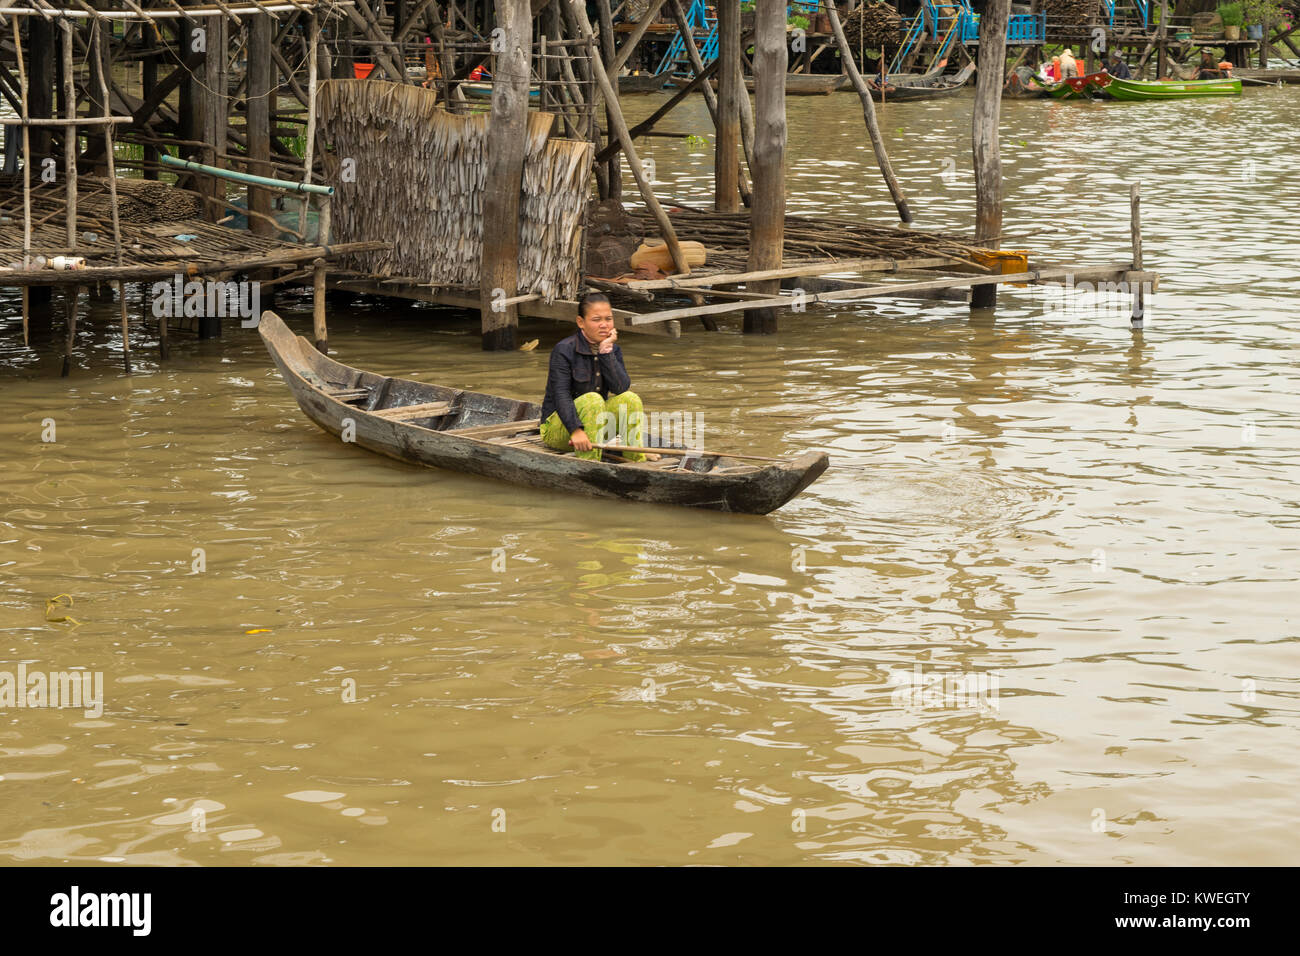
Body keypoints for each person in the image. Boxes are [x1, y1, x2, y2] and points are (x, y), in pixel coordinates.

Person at [540, 292, 650, 462]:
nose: (604, 325)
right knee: (592, 399)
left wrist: (606, 350)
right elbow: (560, 395)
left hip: (596, 426)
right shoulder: (564, 350)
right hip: (561, 430)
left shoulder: (613, 349)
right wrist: (576, 430)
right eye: (596, 320)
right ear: (580, 322)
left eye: (608, 319)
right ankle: (589, 463)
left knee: (631, 399)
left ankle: (636, 459)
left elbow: (620, 388)